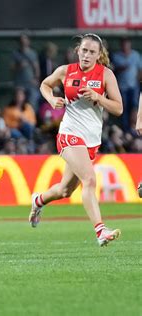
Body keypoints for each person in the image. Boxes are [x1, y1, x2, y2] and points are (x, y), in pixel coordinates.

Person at [29, 33, 123, 246]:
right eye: (84, 50)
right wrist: (51, 99)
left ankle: (38, 200)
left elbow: (118, 108)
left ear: (99, 55)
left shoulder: (105, 75)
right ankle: (100, 231)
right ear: (77, 51)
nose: (86, 55)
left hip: (91, 141)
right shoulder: (65, 71)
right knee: (89, 180)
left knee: (64, 190)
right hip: (69, 134)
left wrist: (99, 97)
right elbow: (45, 84)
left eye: (92, 52)